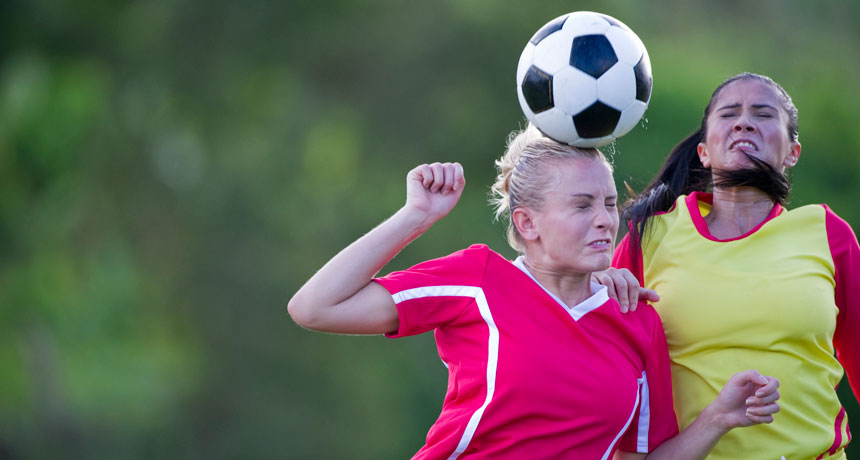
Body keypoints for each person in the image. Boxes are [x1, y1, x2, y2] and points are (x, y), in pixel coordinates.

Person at [288, 125, 780, 459]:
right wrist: (415, 217)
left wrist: (718, 417)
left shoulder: (637, 318)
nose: (606, 220)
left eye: (609, 203)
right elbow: (315, 306)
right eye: (582, 205)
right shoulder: (478, 279)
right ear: (527, 223)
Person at [608, 72, 859, 460]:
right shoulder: (651, 235)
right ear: (704, 151)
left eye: (763, 114)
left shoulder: (828, 233)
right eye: (729, 114)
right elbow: (602, 358)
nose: (744, 121)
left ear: (793, 151)